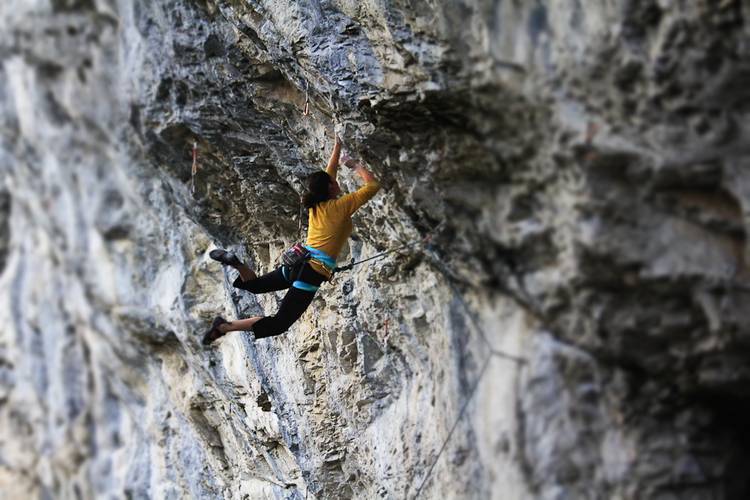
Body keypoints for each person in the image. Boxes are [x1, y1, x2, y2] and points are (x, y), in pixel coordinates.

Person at [202, 135, 381, 345]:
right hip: (312, 271)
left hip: (299, 262)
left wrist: (338, 146)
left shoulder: (316, 205)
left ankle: (237, 264)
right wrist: (355, 165)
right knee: (279, 323)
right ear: (331, 188)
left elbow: (327, 174)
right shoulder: (340, 206)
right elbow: (372, 186)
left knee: (256, 286)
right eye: (334, 182)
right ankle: (224, 326)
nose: (336, 181)